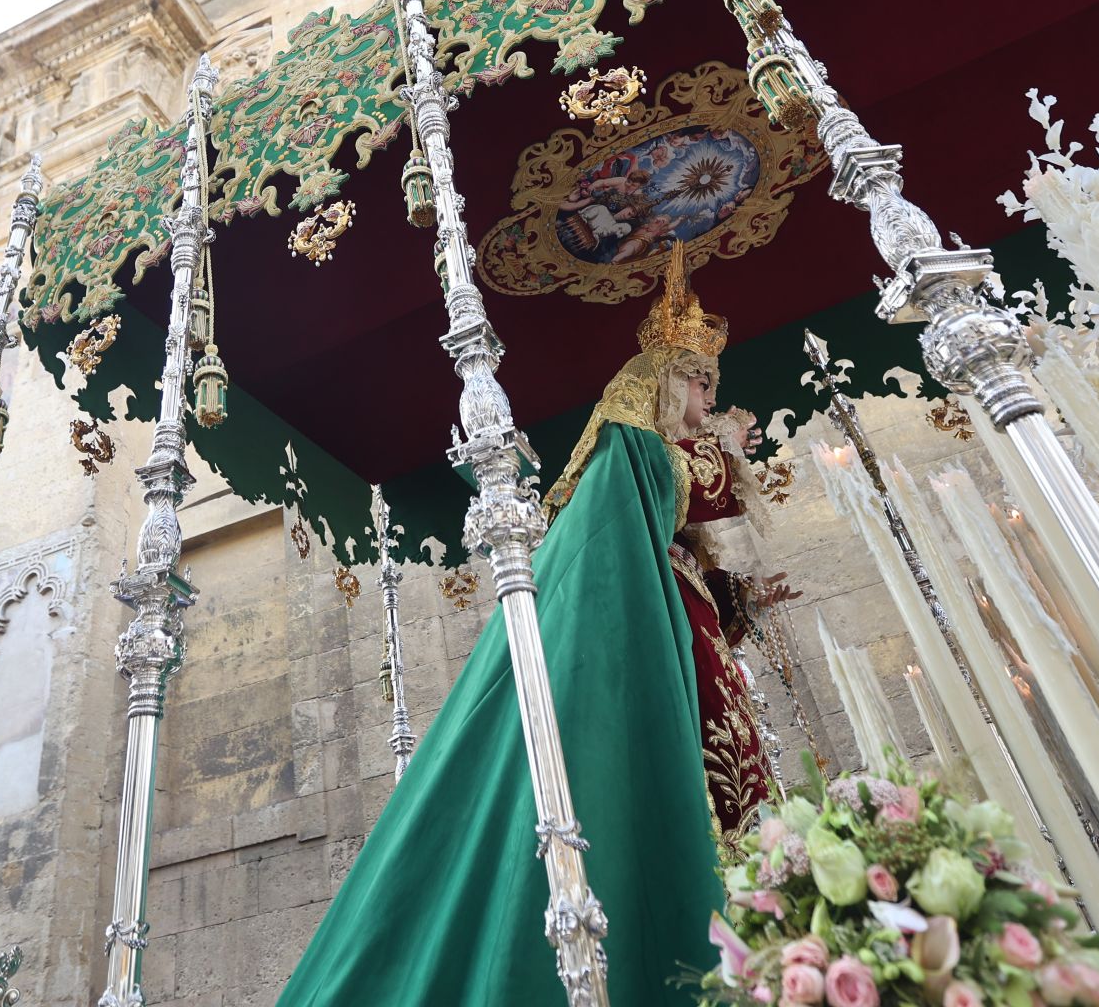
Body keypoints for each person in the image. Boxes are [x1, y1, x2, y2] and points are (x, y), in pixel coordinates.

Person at [276, 242, 801, 1005]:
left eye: (708, 386)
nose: (706, 401)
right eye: (696, 383)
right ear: (660, 387)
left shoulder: (653, 505)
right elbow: (680, 483)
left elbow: (680, 573)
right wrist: (718, 449)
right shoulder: (634, 459)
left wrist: (741, 597)